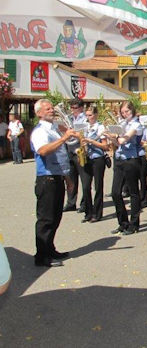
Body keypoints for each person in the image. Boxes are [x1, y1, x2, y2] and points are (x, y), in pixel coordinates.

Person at [30, 99, 78, 267]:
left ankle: (50, 249)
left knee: (56, 217)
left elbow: (61, 158)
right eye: (48, 109)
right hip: (46, 179)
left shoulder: (54, 129)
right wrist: (64, 138)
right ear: (39, 113)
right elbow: (43, 150)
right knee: (46, 219)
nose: (52, 111)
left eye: (52, 108)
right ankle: (41, 256)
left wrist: (68, 178)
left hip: (57, 177)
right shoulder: (39, 131)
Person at [105, 102, 143, 235]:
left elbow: (124, 140)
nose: (124, 114)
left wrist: (116, 137)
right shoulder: (122, 123)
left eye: (127, 111)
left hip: (131, 160)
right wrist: (110, 137)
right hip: (120, 159)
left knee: (133, 192)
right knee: (115, 192)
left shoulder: (136, 125)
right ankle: (123, 222)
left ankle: (134, 224)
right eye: (122, 112)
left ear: (132, 111)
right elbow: (117, 143)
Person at [80, 106, 108, 223]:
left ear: (96, 115)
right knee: (86, 186)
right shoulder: (85, 126)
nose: (88, 118)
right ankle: (88, 212)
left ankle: (97, 213)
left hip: (98, 158)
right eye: (86, 115)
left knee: (98, 187)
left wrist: (91, 141)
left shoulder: (100, 127)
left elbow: (105, 146)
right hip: (87, 158)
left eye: (90, 115)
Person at [63, 99, 87, 213]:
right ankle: (71, 203)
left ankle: (85, 203)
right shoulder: (70, 119)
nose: (72, 110)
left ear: (81, 107)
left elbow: (83, 135)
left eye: (75, 108)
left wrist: (72, 133)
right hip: (70, 150)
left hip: (80, 150)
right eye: (71, 108)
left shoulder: (85, 119)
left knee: (84, 179)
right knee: (71, 179)